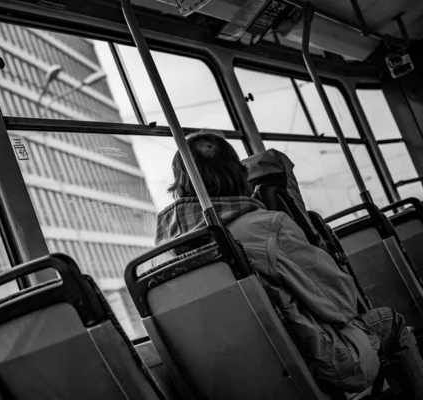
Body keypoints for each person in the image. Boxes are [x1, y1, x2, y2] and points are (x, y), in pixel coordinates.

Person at [155, 129, 423, 398]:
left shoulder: (162, 261)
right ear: (239, 173)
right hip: (314, 362)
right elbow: (340, 300)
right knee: (391, 322)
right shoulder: (268, 226)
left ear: (180, 182)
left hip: (231, 384)